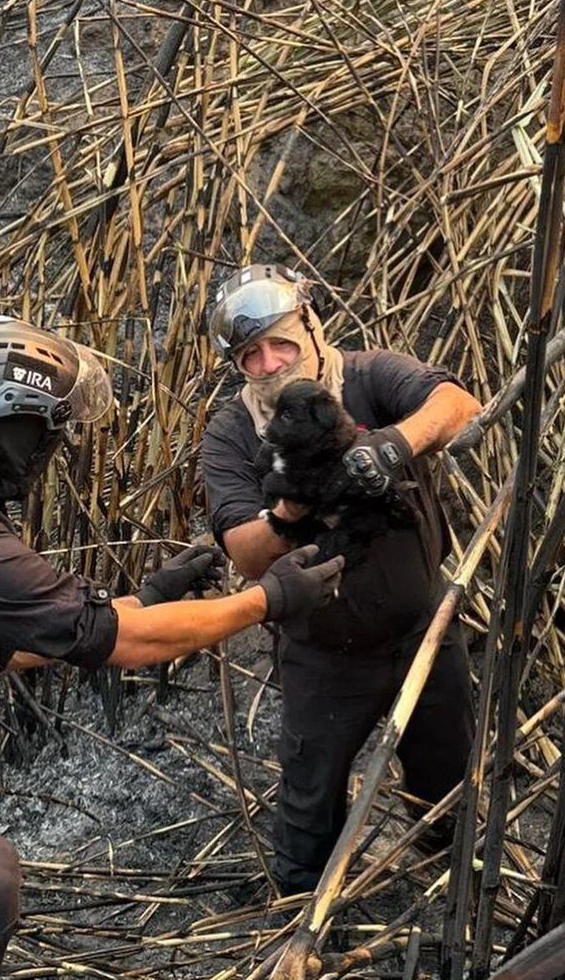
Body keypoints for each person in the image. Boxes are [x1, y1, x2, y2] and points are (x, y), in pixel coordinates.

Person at [0, 313, 345, 979]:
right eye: (48, 427)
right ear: (7, 429)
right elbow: (124, 646)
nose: (56, 442)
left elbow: (27, 639)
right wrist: (269, 600)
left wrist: (147, 597)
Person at [200, 263, 482, 894]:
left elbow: (459, 406)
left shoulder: (369, 375)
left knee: (448, 777)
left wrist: (388, 447)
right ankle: (301, 910)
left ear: (312, 327)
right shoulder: (231, 432)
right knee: (309, 798)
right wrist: (293, 506)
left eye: (282, 342)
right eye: (251, 355)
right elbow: (246, 554)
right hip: (323, 653)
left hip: (425, 633)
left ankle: (447, 883)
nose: (271, 363)